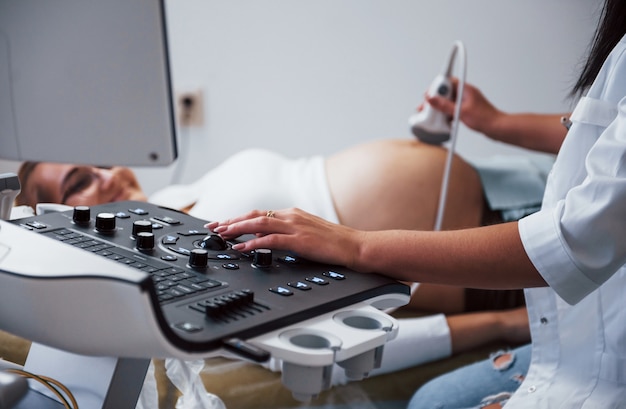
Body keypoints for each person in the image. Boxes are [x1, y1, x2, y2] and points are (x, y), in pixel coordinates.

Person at [207, 0, 626, 406]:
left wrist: (357, 245)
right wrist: (496, 123)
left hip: (533, 236)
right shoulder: (179, 214)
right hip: (525, 224)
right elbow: (603, 137)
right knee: (434, 401)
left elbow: (578, 237)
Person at [15, 137, 531, 381]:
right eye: (79, 181)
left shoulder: (180, 194)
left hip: (511, 187)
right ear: (49, 215)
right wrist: (506, 323)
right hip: (494, 266)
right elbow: (319, 339)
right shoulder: (168, 276)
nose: (105, 175)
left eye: (102, 157)